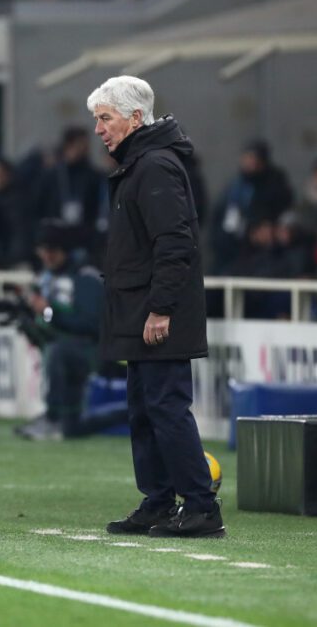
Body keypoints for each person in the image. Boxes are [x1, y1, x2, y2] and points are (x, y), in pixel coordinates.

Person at [88, 75, 223, 538]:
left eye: (105, 118)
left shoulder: (155, 166)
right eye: (97, 119)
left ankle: (201, 506)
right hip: (139, 309)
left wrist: (160, 308)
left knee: (166, 408)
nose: (99, 129)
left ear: (135, 118)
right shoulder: (140, 165)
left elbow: (175, 242)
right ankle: (160, 501)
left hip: (157, 313)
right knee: (145, 410)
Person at [13, 220, 125, 440]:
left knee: (58, 351)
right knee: (73, 427)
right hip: (70, 347)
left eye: (52, 250)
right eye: (42, 250)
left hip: (95, 350)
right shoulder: (47, 276)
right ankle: (62, 419)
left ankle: (53, 418)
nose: (46, 256)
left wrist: (49, 313)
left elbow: (92, 325)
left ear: (65, 249)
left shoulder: (85, 277)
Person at [210, 140, 293, 275]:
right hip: (232, 254)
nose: (249, 163)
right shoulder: (235, 187)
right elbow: (222, 221)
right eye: (247, 157)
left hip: (263, 257)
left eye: (253, 158)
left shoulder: (275, 187)